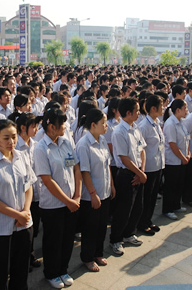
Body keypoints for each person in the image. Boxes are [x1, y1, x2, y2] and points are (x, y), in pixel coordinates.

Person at [0, 119, 37, 290]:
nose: (11, 142)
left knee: (21, 269)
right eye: (6, 138)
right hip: (1, 228)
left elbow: (29, 186)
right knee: (0, 272)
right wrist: (17, 215)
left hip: (24, 224)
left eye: (14, 137)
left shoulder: (21, 157)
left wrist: (25, 212)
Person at [33, 109, 82, 289]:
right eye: (62, 124)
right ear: (51, 127)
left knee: (67, 238)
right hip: (53, 205)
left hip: (71, 202)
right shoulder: (41, 149)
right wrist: (68, 201)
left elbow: (76, 168)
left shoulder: (66, 142)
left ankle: (63, 269)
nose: (65, 127)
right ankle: (52, 273)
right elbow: (47, 180)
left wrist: (76, 196)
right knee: (54, 240)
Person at [76, 109, 114, 272]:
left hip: (104, 191)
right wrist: (92, 194)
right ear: (93, 125)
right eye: (103, 123)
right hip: (91, 195)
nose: (106, 126)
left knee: (101, 226)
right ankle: (87, 257)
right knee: (90, 228)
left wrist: (111, 185)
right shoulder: (84, 144)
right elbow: (85, 172)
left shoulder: (103, 140)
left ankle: (98, 253)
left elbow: (107, 165)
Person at [110, 97, 147, 255]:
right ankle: (116, 240)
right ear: (128, 112)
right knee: (123, 210)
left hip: (138, 172)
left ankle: (129, 233)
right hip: (126, 174)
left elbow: (142, 150)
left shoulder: (136, 128)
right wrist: (139, 173)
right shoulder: (119, 131)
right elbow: (123, 157)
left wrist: (141, 171)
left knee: (137, 207)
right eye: (137, 111)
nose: (139, 113)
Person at [10, 112, 42, 270]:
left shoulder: (35, 145)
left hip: (35, 194)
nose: (36, 129)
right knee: (20, 233)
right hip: (21, 196)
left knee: (33, 229)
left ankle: (30, 256)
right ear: (23, 128)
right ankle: (21, 261)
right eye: (33, 126)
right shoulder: (15, 146)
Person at [137, 94, 164, 234]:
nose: (163, 108)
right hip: (148, 168)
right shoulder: (144, 126)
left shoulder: (156, 123)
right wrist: (141, 169)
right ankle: (142, 223)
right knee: (146, 198)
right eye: (161, 106)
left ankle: (149, 220)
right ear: (153, 108)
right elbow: (139, 150)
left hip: (158, 165)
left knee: (153, 196)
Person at [162, 99, 190, 220]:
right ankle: (168, 209)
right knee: (171, 186)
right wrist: (183, 157)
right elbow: (172, 144)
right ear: (178, 110)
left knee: (179, 184)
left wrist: (188, 154)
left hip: (182, 160)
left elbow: (187, 139)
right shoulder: (170, 124)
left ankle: (176, 205)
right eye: (185, 108)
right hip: (172, 161)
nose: (187, 111)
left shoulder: (182, 122)